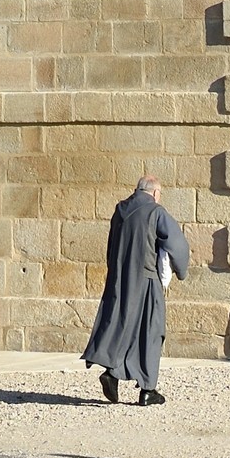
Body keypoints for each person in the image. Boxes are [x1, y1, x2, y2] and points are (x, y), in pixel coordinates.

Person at [82, 173, 189, 406]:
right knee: (152, 330)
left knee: (123, 326)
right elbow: (177, 243)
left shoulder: (120, 211)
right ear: (155, 193)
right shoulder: (155, 212)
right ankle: (148, 389)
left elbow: (111, 246)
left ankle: (112, 373)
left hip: (120, 278)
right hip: (146, 279)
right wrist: (181, 270)